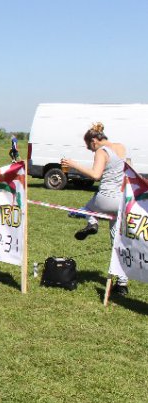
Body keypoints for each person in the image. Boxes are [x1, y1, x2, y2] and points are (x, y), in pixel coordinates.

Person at [62, 122, 130, 295]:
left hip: (105, 199)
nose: (91, 151)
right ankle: (122, 284)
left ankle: (93, 223)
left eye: (89, 147)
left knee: (86, 208)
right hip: (121, 201)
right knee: (117, 242)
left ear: (94, 141)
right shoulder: (121, 147)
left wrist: (73, 164)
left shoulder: (101, 151)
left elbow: (95, 175)